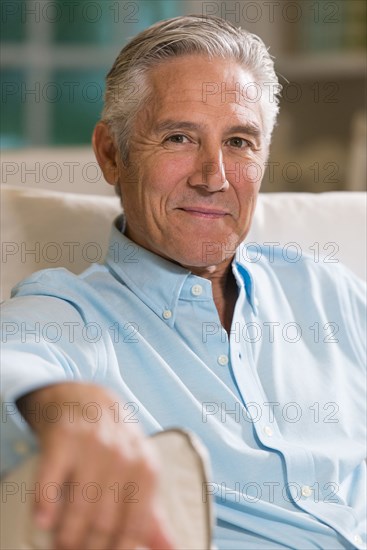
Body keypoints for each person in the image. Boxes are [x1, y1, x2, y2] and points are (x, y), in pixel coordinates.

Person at [1, 14, 366, 550]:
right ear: (110, 154)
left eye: (239, 142)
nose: (213, 177)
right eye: (178, 137)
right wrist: (70, 404)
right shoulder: (72, 313)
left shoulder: (327, 288)